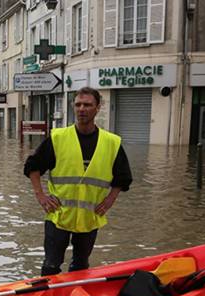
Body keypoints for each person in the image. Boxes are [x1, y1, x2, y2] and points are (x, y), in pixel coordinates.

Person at [23, 87, 132, 276]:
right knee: (51, 265)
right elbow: (32, 166)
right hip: (58, 215)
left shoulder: (111, 142)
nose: (82, 109)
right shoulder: (58, 138)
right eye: (78, 104)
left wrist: (110, 200)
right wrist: (40, 195)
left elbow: (123, 178)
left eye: (87, 105)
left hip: (89, 218)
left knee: (81, 266)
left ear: (98, 108)